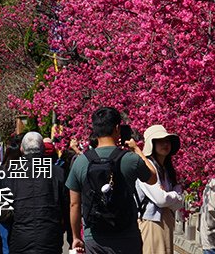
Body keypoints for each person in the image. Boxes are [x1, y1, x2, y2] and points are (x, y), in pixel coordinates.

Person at [66, 107, 158, 254]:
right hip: (126, 235)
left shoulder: (81, 161)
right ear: (117, 128)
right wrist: (136, 150)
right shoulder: (130, 159)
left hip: (94, 237)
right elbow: (153, 178)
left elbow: (74, 204)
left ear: (95, 130)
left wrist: (76, 237)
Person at [1, 132, 68, 254]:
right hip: (50, 237)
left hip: (20, 237)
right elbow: (66, 207)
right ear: (42, 149)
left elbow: (2, 209)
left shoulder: (10, 173)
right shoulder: (57, 172)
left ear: (22, 148)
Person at [136, 125, 185, 254]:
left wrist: (170, 195)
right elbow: (161, 200)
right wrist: (175, 195)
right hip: (151, 222)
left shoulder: (167, 170)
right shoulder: (147, 166)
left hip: (166, 221)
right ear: (152, 144)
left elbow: (178, 202)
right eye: (160, 141)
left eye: (167, 141)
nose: (165, 144)